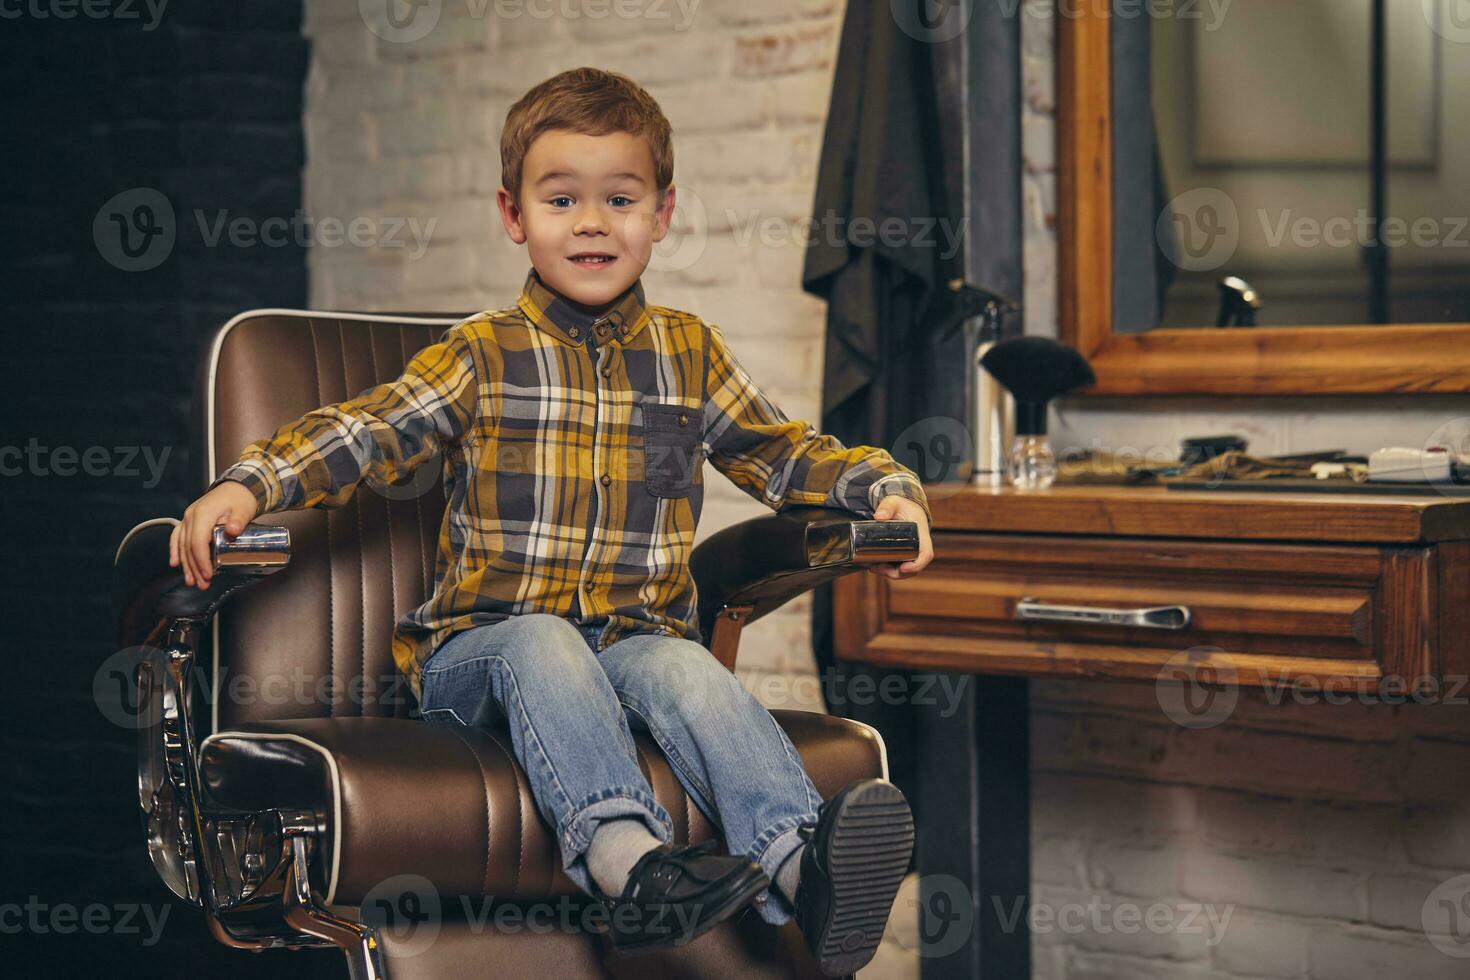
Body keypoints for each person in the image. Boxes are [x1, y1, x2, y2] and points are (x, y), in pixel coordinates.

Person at [169, 66, 933, 976]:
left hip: (631, 646)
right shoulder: (483, 352)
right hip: (481, 658)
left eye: (621, 198)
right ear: (514, 216)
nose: (593, 222)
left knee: (685, 665)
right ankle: (632, 867)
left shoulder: (686, 353)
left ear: (663, 213)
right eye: (562, 198)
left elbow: (781, 452)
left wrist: (885, 487)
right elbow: (368, 433)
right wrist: (252, 484)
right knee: (542, 640)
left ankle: (805, 866)